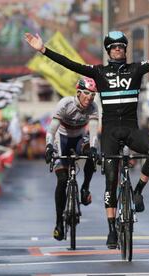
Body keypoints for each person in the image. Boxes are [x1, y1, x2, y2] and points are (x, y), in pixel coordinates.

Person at [24, 23, 149, 249]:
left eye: (121, 46)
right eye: (114, 47)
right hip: (111, 133)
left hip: (132, 129)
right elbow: (70, 64)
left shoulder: (137, 69)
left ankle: (137, 192)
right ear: (108, 51)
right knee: (110, 180)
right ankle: (111, 229)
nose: (118, 49)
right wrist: (43, 49)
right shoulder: (98, 72)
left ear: (125, 50)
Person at [44, 77, 99, 241]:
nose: (89, 99)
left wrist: (94, 149)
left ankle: (85, 188)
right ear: (78, 92)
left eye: (93, 96)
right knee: (62, 180)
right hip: (61, 139)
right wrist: (48, 146)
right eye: (87, 94)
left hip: (79, 139)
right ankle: (59, 222)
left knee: (91, 151)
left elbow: (94, 132)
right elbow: (51, 130)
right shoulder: (65, 104)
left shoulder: (93, 108)